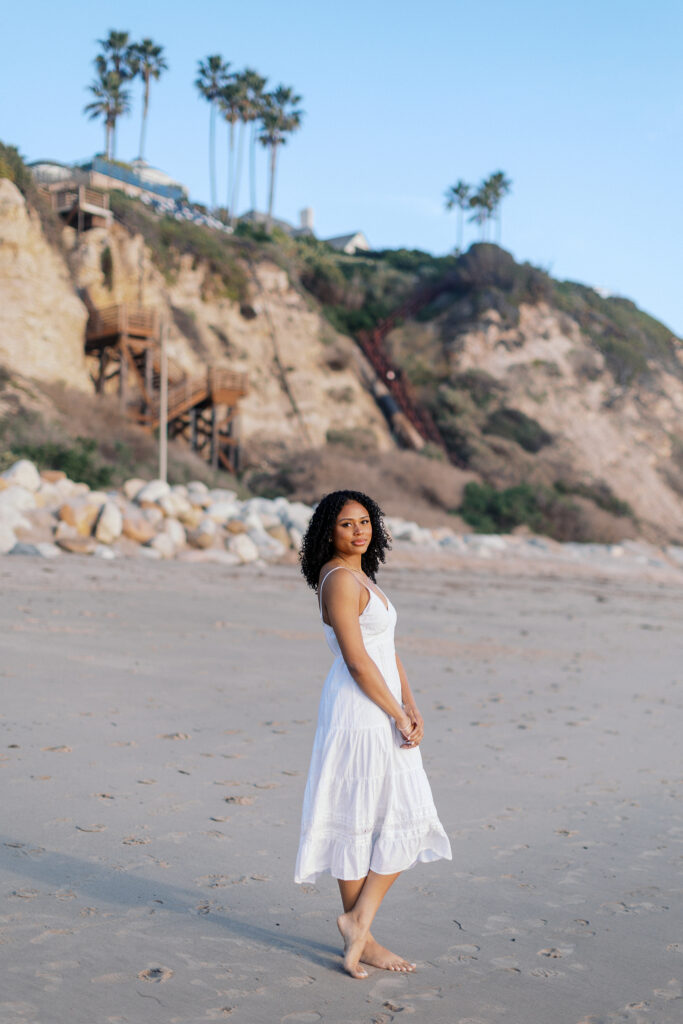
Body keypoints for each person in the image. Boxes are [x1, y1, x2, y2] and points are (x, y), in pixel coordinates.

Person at [295, 489, 452, 979]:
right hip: (358, 712)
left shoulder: (362, 576)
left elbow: (387, 649)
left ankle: (358, 924)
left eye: (365, 521)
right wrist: (395, 715)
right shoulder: (338, 579)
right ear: (329, 532)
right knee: (357, 813)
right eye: (347, 524)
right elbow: (357, 662)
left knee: (400, 812)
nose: (359, 530)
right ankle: (362, 931)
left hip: (382, 706)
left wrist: (410, 702)